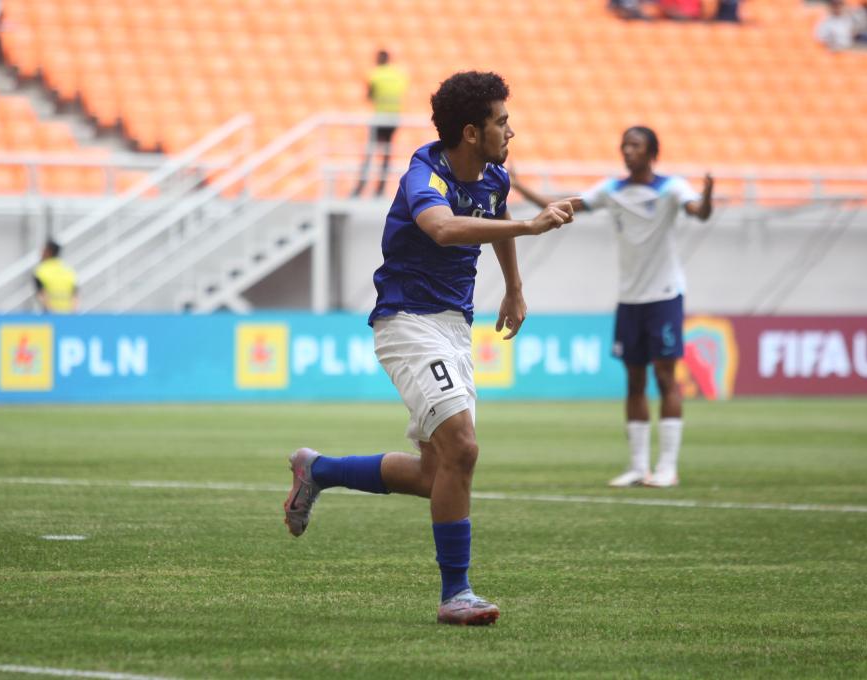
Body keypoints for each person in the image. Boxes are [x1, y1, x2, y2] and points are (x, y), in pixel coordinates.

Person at [284, 71, 576, 626]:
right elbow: (442, 228)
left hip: (453, 327)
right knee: (462, 449)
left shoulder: (494, 178)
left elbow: (492, 226)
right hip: (407, 321)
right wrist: (532, 227)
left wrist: (514, 287)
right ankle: (455, 594)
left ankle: (317, 469)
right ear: (471, 131)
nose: (509, 131)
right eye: (501, 121)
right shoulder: (424, 176)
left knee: (433, 472)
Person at [510, 127, 713, 489]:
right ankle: (638, 466)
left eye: (635, 145)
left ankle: (667, 467)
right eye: (624, 145)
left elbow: (698, 212)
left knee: (666, 378)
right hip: (630, 299)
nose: (627, 151)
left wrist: (708, 196)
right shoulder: (612, 190)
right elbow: (564, 206)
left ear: (652, 152)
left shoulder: (671, 189)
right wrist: (519, 186)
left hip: (664, 296)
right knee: (634, 381)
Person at [350, 50, 409, 198]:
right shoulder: (398, 76)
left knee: (370, 153)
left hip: (379, 117)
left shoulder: (375, 75)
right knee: (386, 154)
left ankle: (360, 187)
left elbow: (370, 95)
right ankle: (380, 189)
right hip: (393, 118)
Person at [34, 240, 78, 313]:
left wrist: (53, 314)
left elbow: (42, 295)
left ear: (49, 252)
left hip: (51, 315)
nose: (41, 253)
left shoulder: (40, 271)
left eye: (44, 250)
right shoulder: (69, 270)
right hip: (68, 314)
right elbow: (75, 296)